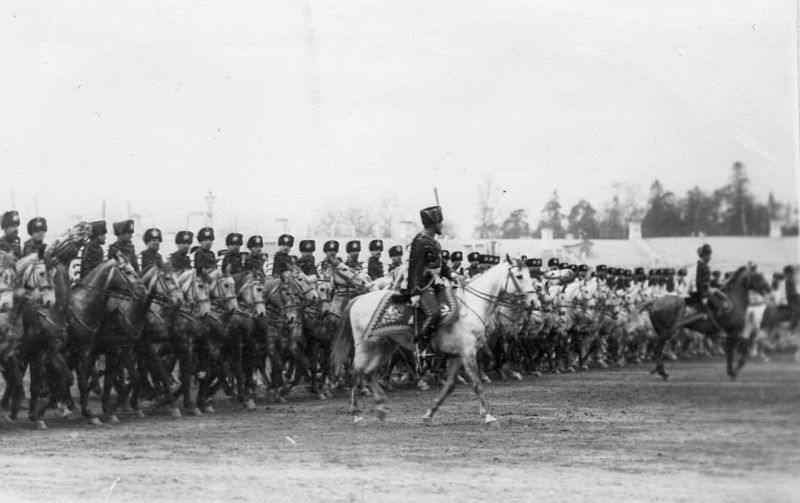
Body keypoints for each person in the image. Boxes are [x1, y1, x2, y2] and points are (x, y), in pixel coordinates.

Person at [402, 205, 453, 345]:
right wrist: (416, 292)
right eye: (440, 223)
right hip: (423, 286)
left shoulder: (434, 242)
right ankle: (421, 345)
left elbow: (441, 266)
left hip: (436, 285)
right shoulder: (419, 241)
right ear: (433, 224)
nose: (442, 225)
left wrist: (453, 276)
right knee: (434, 313)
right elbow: (415, 269)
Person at [687, 244, 712, 311]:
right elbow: (699, 282)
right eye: (708, 255)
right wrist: (703, 297)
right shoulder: (701, 266)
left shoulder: (703, 265)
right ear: (704, 256)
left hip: (703, 294)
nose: (710, 257)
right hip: (699, 296)